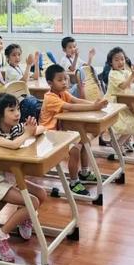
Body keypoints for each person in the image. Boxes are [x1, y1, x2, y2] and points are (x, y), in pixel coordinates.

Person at [0, 94, 47, 262]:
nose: (17, 113)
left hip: (9, 176)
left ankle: (23, 219)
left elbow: (38, 130)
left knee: (41, 193)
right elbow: (13, 144)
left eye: (17, 109)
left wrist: (35, 129)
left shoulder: (14, 128)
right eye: (11, 110)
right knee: (32, 202)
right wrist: (27, 133)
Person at [39, 64, 108, 195]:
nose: (64, 82)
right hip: (48, 135)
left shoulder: (62, 93)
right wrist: (94, 107)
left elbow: (76, 100)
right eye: (60, 80)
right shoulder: (50, 97)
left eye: (65, 78)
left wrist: (96, 104)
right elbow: (70, 107)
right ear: (50, 83)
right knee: (75, 149)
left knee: (84, 141)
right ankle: (74, 181)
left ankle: (84, 172)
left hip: (61, 132)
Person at [103, 47, 134, 152]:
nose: (120, 62)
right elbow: (123, 86)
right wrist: (133, 74)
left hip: (124, 103)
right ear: (110, 63)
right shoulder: (113, 74)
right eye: (116, 60)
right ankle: (117, 143)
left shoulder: (125, 72)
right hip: (114, 106)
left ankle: (124, 142)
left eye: (122, 59)